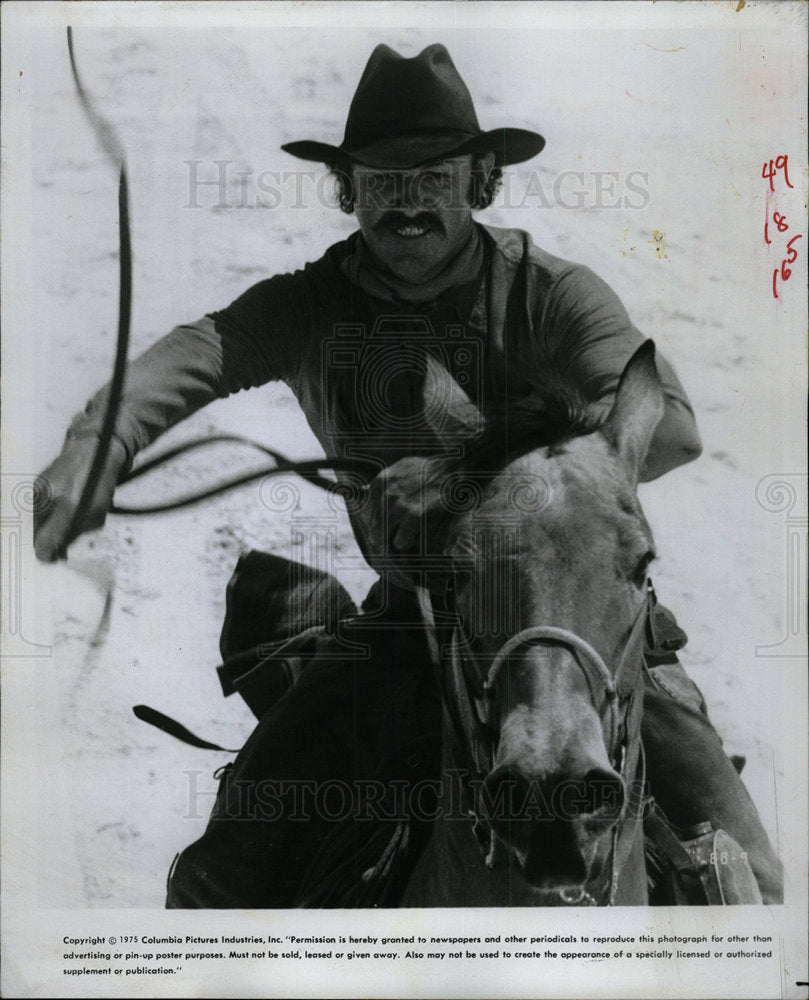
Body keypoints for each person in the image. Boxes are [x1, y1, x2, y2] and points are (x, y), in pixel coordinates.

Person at [34, 43, 782, 905]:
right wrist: (103, 439)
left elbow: (669, 430)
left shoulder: (550, 294)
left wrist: (463, 476)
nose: (407, 198)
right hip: (412, 620)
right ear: (348, 191)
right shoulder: (308, 306)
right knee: (225, 871)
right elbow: (205, 352)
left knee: (747, 881)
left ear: (481, 182)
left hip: (582, 623)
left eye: (433, 174)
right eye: (380, 178)